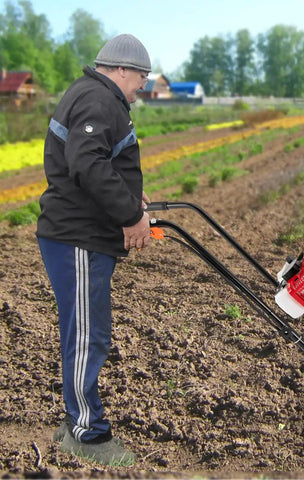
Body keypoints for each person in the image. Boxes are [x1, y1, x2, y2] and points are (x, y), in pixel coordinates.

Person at [36, 33, 152, 466]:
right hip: (78, 238)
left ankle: (78, 421)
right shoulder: (99, 100)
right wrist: (129, 216)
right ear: (122, 69)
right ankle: (87, 435)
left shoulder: (95, 97)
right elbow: (87, 162)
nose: (143, 85)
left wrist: (131, 200)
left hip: (78, 235)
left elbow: (97, 160)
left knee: (83, 333)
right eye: (141, 76)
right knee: (88, 335)